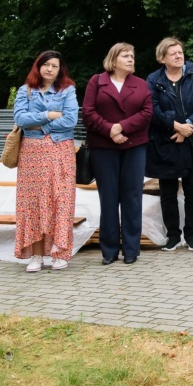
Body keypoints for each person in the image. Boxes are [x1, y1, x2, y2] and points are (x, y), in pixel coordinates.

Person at [82, 43, 153, 265]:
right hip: (103, 148)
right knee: (109, 198)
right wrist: (110, 131)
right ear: (113, 59)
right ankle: (109, 250)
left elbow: (147, 113)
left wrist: (121, 127)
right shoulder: (97, 81)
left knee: (132, 197)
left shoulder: (140, 84)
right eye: (125, 56)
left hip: (134, 146)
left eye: (132, 56)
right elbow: (88, 112)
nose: (131, 59)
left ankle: (131, 249)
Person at [146, 38, 193, 252]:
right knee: (168, 191)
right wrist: (175, 126)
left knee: (192, 189)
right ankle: (172, 236)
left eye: (180, 52)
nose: (179, 56)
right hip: (166, 141)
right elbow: (152, 110)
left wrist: (188, 126)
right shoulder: (153, 79)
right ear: (162, 58)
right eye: (173, 53)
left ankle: (191, 235)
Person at [13, 50, 80, 272]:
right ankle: (37, 255)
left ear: (60, 69)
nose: (50, 69)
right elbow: (20, 118)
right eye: (46, 64)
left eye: (54, 65)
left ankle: (59, 253)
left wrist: (39, 127)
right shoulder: (25, 90)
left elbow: (70, 120)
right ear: (38, 66)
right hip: (31, 154)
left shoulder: (67, 90)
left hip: (61, 151)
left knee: (60, 200)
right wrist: (48, 115)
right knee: (32, 203)